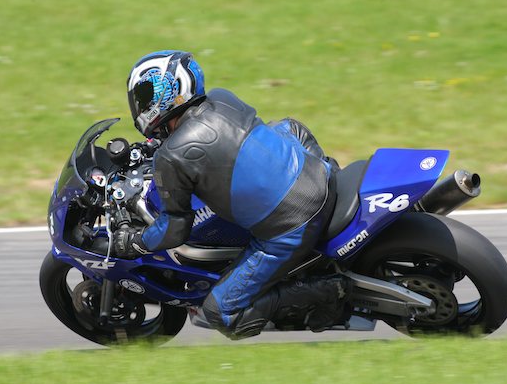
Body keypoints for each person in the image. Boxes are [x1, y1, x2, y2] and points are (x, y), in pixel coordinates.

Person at [114, 50, 350, 339]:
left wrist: (136, 242)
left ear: (167, 93)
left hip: (294, 221)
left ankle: (328, 291)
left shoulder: (171, 157)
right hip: (319, 175)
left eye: (145, 94)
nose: (140, 104)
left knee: (220, 313)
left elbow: (175, 228)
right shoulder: (222, 98)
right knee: (285, 127)